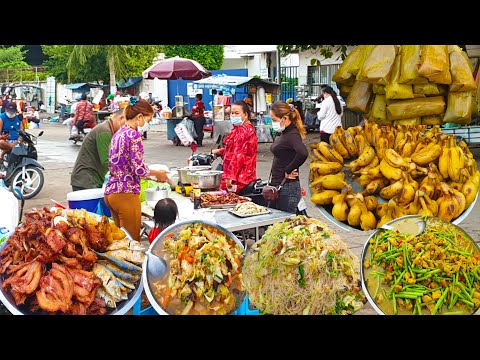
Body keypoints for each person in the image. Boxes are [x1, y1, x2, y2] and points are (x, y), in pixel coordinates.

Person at [104, 97, 169, 241]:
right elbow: (139, 169)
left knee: (119, 242)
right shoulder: (134, 135)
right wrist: (157, 173)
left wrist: (150, 176)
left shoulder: (118, 134)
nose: (147, 123)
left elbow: (124, 165)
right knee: (132, 245)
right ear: (139, 117)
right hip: (125, 194)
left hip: (111, 193)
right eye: (148, 119)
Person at [70, 108, 126, 192]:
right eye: (126, 124)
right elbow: (107, 161)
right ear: (121, 118)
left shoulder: (109, 130)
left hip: (92, 180)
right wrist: (128, 173)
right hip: (86, 181)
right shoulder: (104, 131)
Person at [268, 101, 308, 214]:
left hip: (288, 187)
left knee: (287, 223)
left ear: (284, 118)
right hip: (278, 184)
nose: (273, 123)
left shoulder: (292, 134)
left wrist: (288, 169)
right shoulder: (283, 132)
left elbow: (303, 153)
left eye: (274, 120)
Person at [211, 100, 257, 194]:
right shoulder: (237, 128)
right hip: (233, 172)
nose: (234, 116)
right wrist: (220, 151)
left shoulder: (244, 131)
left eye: (237, 113)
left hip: (240, 176)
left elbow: (238, 155)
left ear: (245, 115)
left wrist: (231, 177)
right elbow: (233, 149)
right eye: (232, 113)